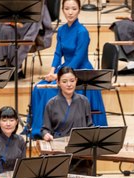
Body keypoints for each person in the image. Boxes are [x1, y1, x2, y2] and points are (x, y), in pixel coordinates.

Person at [29, 0, 106, 139]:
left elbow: (78, 58)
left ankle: (51, 128)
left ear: (79, 10)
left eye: (74, 9)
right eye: (67, 9)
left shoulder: (82, 31)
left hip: (79, 71)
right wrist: (52, 72)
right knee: (37, 88)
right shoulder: (62, 30)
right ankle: (40, 128)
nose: (70, 12)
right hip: (64, 69)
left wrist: (58, 76)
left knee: (48, 90)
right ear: (62, 10)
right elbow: (58, 53)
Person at [0, 1, 53, 73]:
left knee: (7, 29)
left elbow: (36, 17)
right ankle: (1, 60)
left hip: (27, 23)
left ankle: (12, 64)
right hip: (7, 17)